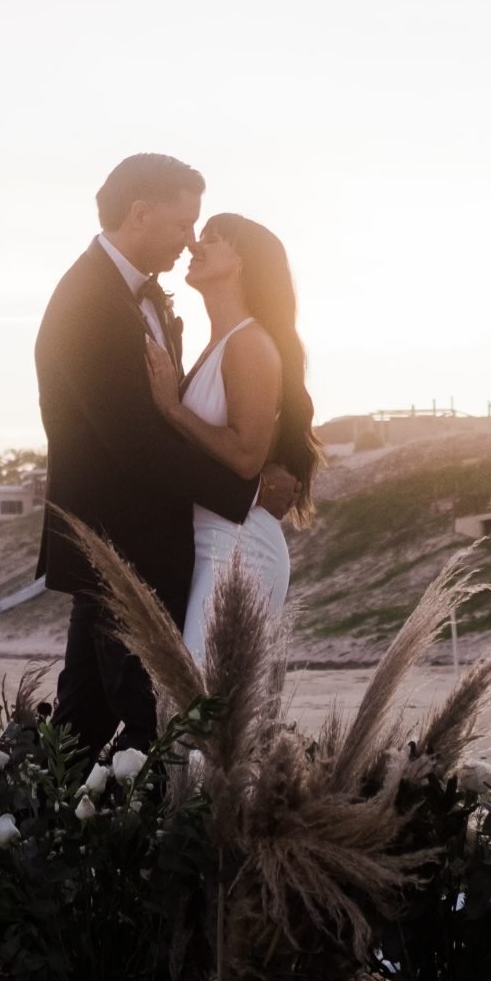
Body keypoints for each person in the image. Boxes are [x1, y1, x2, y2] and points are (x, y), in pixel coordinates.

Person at [34, 153, 302, 756]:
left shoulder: (139, 300)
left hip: (153, 552)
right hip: (120, 547)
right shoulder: (91, 305)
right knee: (154, 723)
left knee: (90, 726)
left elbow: (210, 422)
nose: (189, 242)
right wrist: (249, 490)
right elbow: (134, 444)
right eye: (184, 226)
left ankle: (18, 827)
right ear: (140, 214)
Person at [141, 211, 316, 660]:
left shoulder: (250, 344)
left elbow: (245, 455)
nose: (195, 247)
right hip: (212, 544)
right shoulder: (218, 345)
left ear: (243, 263)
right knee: (198, 709)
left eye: (213, 239)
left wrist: (172, 409)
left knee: (204, 702)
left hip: (241, 550)